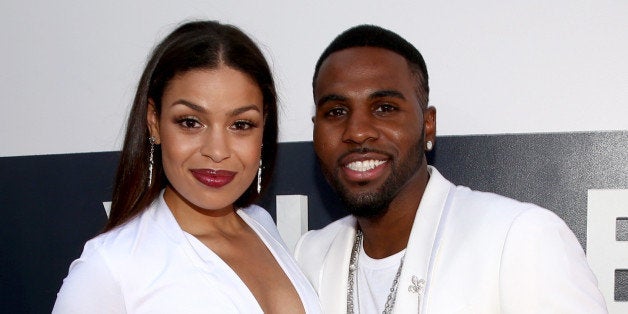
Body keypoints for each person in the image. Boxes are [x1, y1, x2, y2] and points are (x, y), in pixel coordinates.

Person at [294, 24, 607, 313]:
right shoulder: (311, 256)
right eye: (335, 112)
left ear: (427, 126)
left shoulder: (518, 238)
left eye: (385, 108)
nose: (357, 131)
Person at [53, 21, 322, 313]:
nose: (217, 151)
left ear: (263, 128)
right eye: (191, 122)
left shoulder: (262, 224)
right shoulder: (110, 268)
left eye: (241, 124)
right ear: (154, 122)